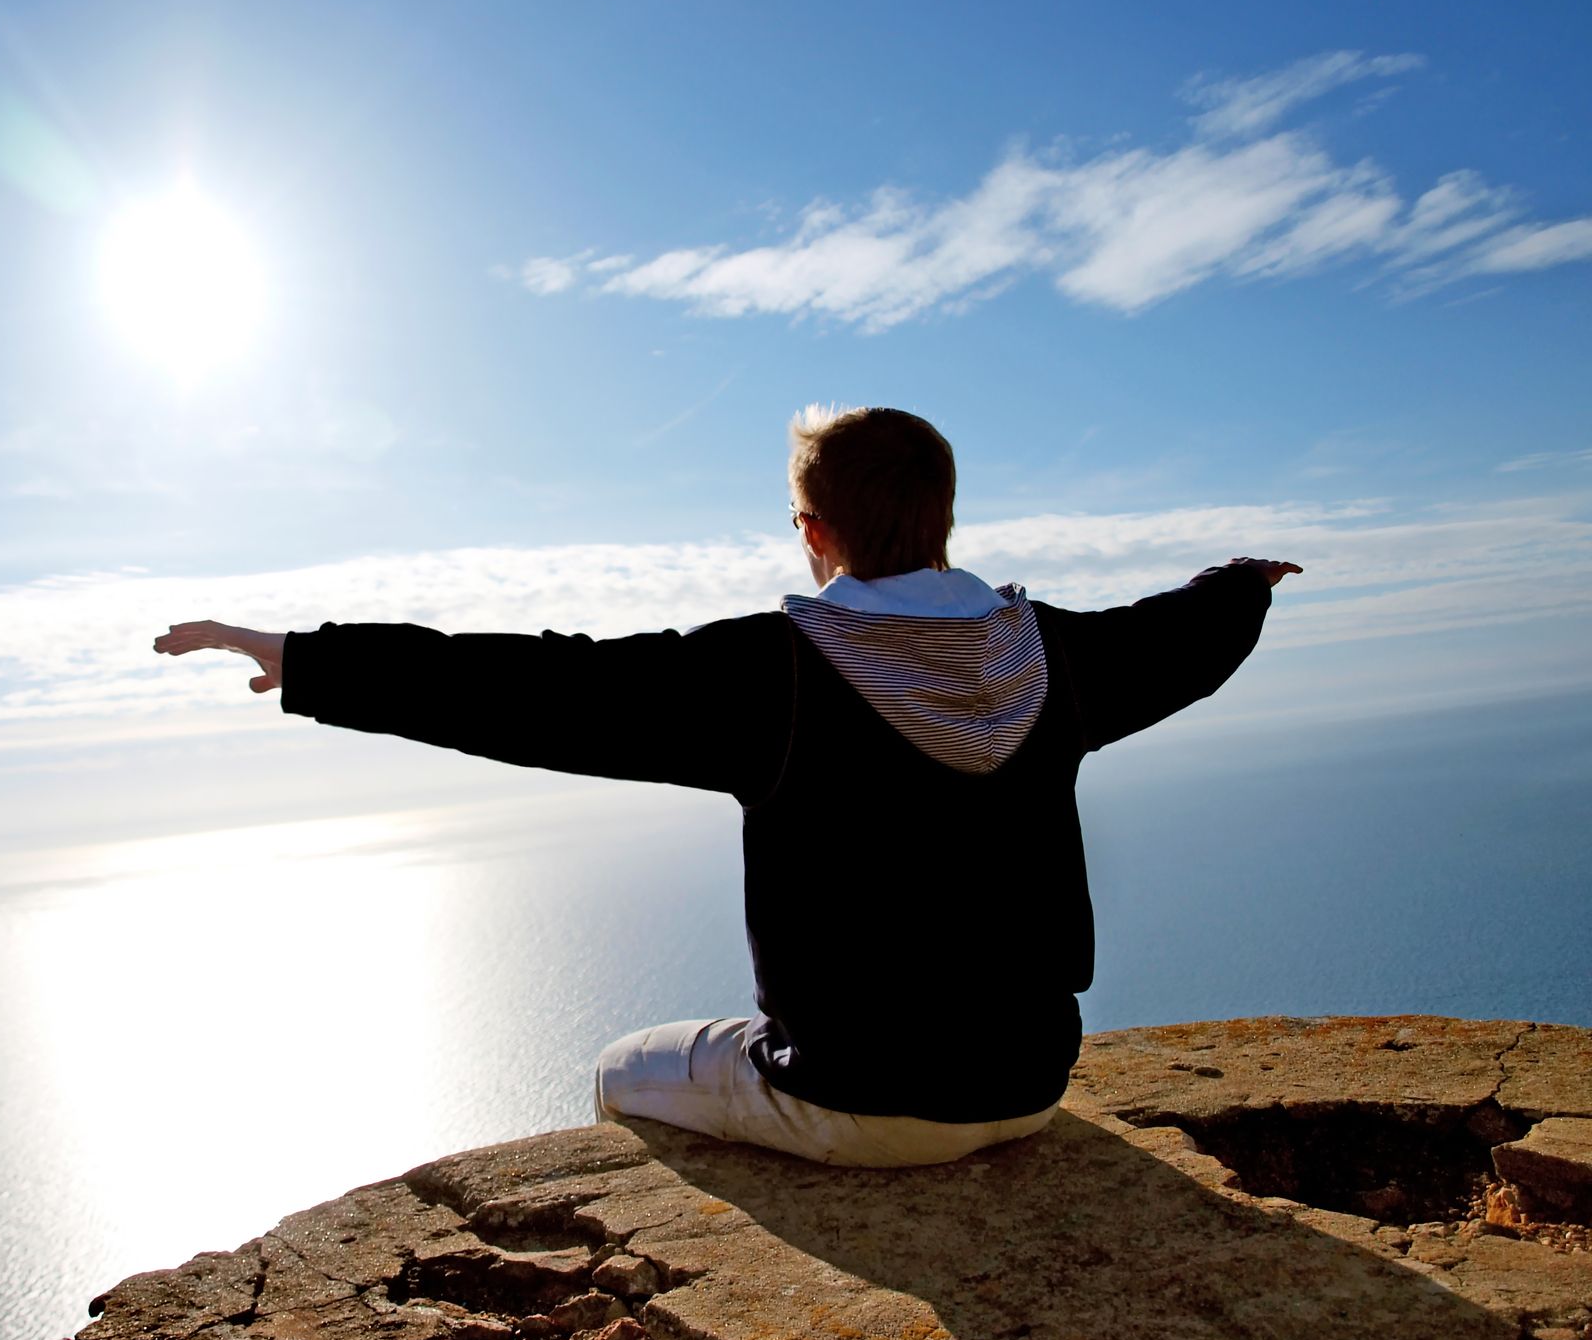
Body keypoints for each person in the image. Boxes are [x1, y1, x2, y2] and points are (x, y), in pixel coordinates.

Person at [152, 404, 1300, 1168]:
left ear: (813, 531)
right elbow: (1180, 635)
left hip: (857, 1099)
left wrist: (305, 657)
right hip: (1028, 1076)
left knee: (620, 1071)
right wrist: (1241, 581)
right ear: (945, 516)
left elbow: (535, 687)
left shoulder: (777, 676)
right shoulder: (1053, 657)